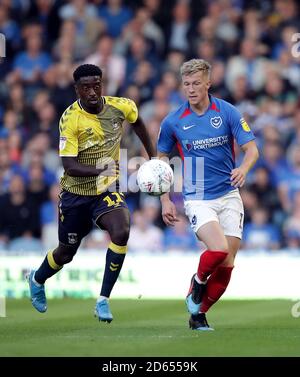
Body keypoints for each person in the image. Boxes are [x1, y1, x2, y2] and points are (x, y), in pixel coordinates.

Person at [27, 64, 155, 322]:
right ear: (77, 90)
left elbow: (138, 122)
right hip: (75, 195)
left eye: (96, 85)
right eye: (86, 87)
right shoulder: (70, 119)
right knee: (66, 252)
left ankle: (103, 300)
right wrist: (103, 168)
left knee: (121, 230)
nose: (93, 92)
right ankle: (37, 278)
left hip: (105, 190)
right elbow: (69, 166)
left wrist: (153, 157)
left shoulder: (121, 106)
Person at [157, 59, 259, 331]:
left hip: (229, 195)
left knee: (227, 265)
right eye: (186, 84)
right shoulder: (173, 121)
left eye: (196, 84)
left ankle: (199, 314)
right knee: (218, 249)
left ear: (208, 83)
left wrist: (244, 169)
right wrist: (165, 199)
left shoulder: (227, 112)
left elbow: (252, 150)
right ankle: (198, 282)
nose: (191, 89)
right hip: (198, 197)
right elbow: (161, 163)